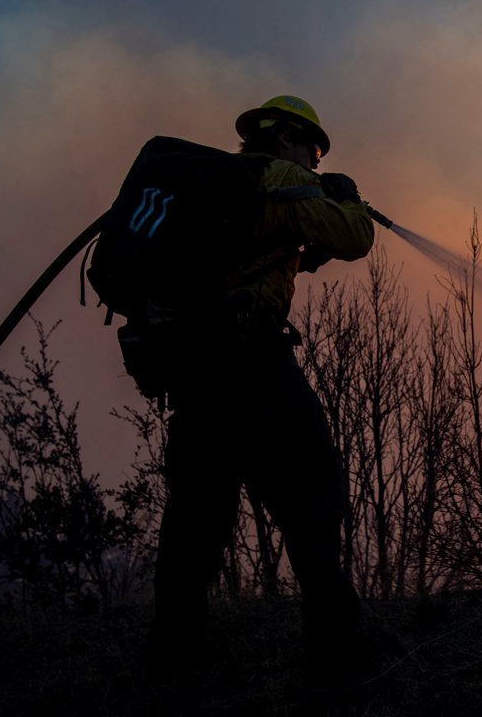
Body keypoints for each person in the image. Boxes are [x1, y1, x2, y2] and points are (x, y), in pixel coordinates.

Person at [147, 95, 377, 679]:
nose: (316, 163)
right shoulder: (281, 177)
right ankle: (339, 650)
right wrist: (345, 200)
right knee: (314, 491)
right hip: (254, 364)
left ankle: (172, 656)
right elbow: (354, 237)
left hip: (199, 372)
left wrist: (304, 246)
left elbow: (257, 255)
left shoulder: (227, 189)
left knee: (197, 514)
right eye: (313, 149)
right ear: (284, 138)